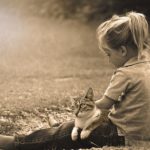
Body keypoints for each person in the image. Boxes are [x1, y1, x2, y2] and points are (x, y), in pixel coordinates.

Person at [1, 11, 150, 150]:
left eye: (108, 54)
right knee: (79, 124)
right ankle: (61, 126)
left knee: (63, 134)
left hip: (119, 133)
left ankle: (15, 143)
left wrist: (82, 108)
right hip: (142, 136)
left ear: (123, 51)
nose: (109, 60)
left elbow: (105, 104)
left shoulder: (125, 73)